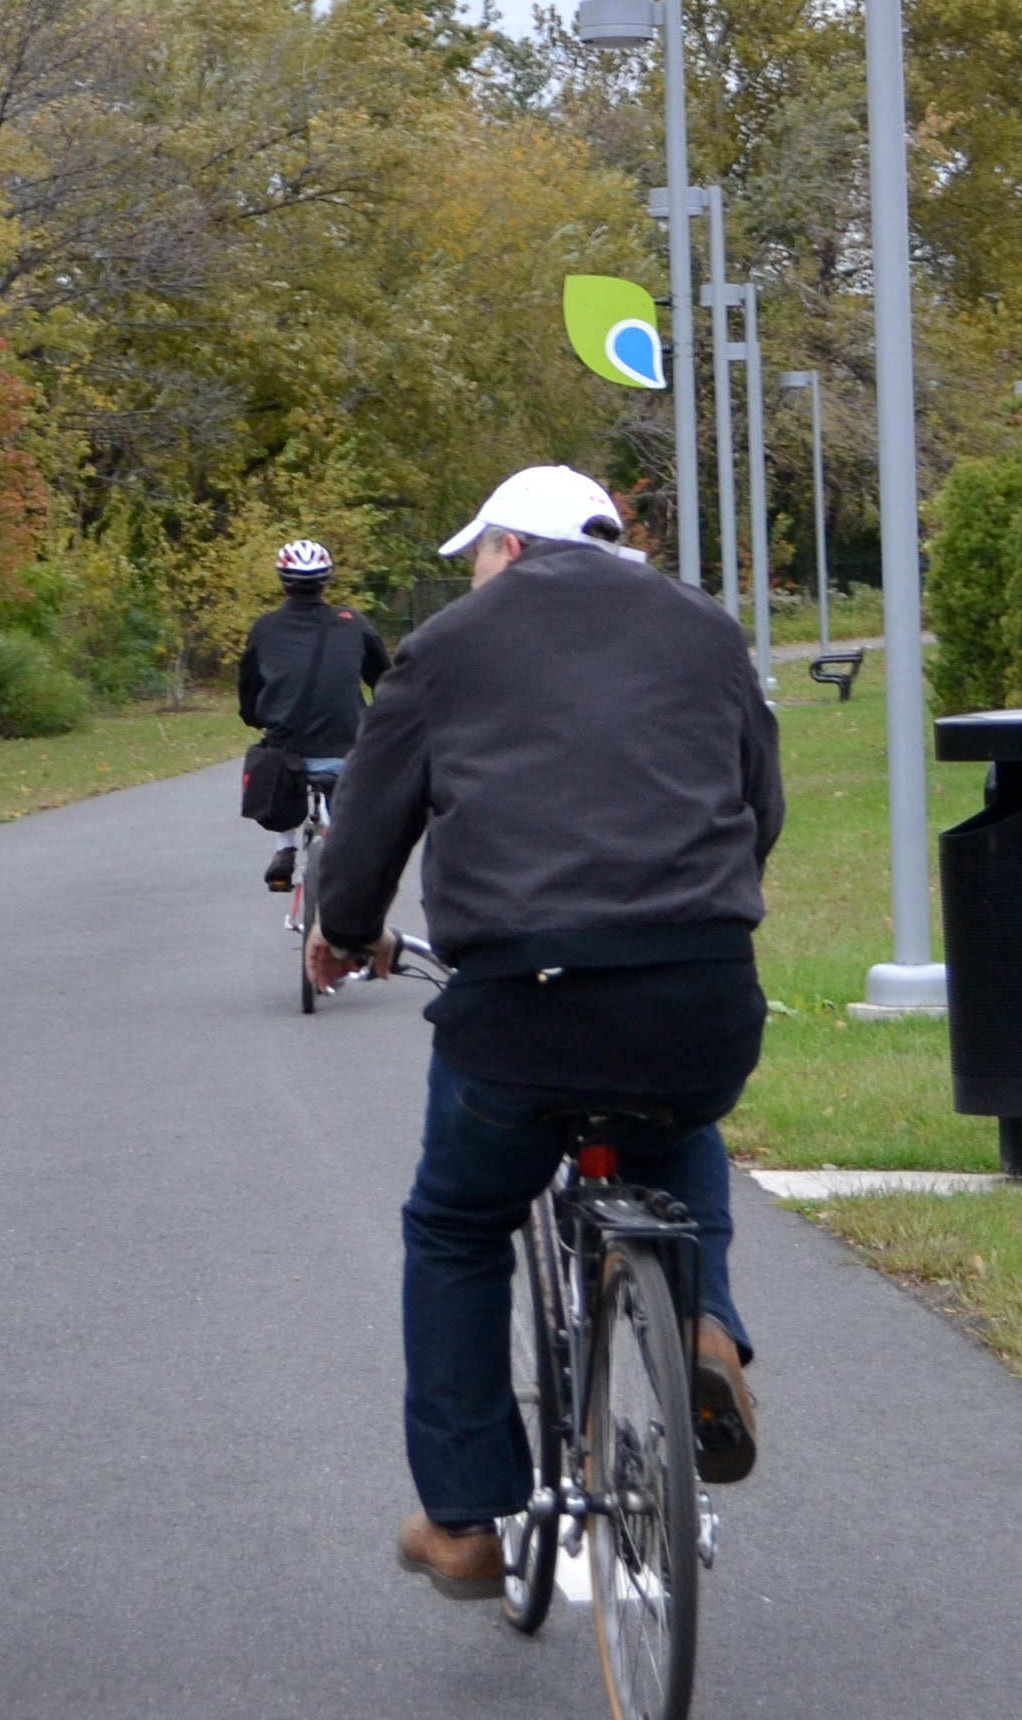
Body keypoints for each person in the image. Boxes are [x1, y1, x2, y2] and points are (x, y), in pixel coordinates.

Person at [304, 460, 785, 1601]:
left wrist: (346, 930)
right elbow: (760, 804)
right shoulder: (709, 632)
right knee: (682, 1119)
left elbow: (373, 817)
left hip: (527, 1004)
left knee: (458, 1225)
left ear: (513, 548)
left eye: (478, 554)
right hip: (699, 987)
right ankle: (706, 1328)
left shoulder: (451, 645)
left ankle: (467, 1519)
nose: (475, 574)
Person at [241, 535, 388, 889]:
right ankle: (344, 866)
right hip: (344, 748)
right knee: (351, 812)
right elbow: (385, 679)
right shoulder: (353, 623)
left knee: (272, 759)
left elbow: (248, 692)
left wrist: (255, 717)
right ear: (327, 581)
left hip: (285, 757)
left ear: (283, 583)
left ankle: (285, 847)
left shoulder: (264, 628)